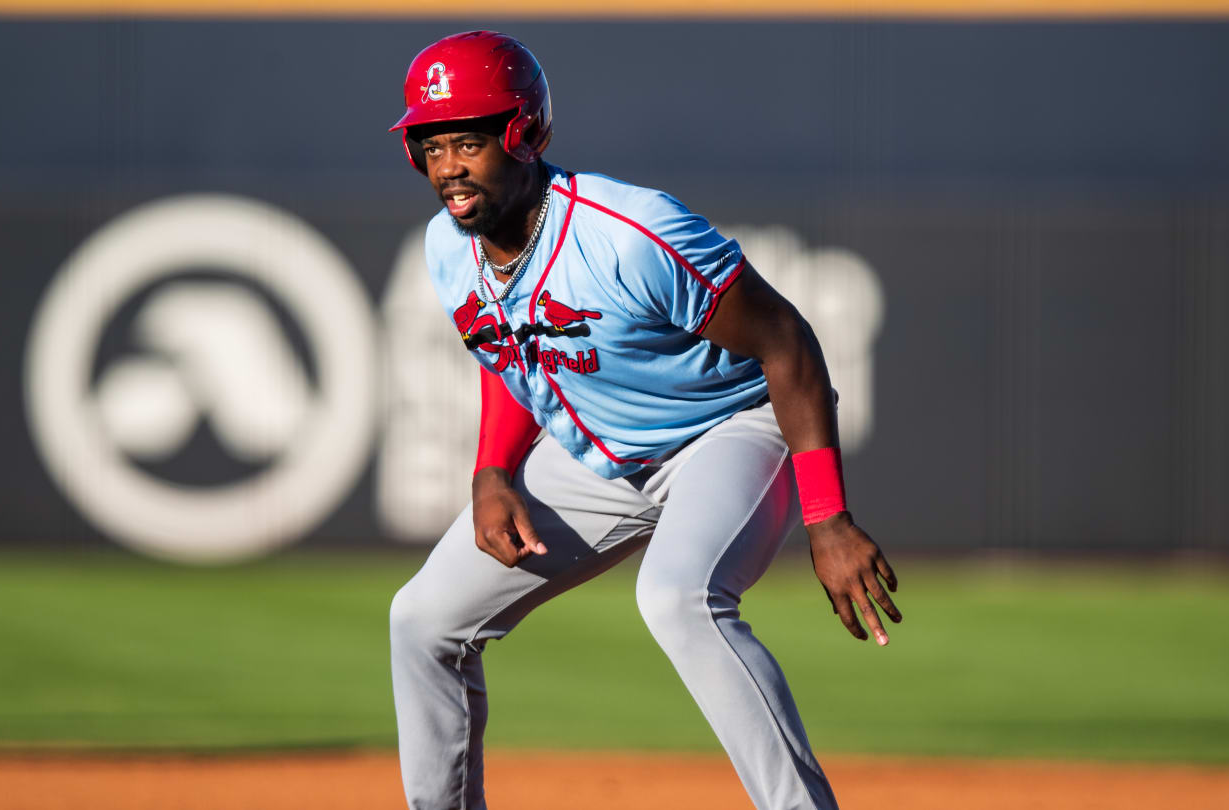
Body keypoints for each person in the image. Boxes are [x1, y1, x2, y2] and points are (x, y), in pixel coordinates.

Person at [386, 31, 901, 810]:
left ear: (525, 134)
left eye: (468, 141)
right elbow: (510, 355)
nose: (447, 167)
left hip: (728, 429)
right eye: (430, 145)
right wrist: (492, 471)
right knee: (422, 619)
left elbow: (787, 342)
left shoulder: (629, 234)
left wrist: (828, 515)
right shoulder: (447, 246)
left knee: (679, 598)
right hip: (598, 454)